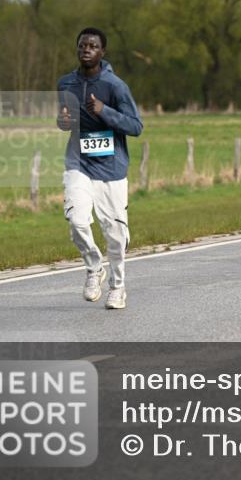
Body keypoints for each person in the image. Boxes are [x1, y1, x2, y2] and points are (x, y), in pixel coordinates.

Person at [56, 28, 143, 310]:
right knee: (77, 220)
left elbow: (136, 126)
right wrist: (63, 122)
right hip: (78, 162)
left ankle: (118, 287)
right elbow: (66, 121)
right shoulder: (65, 83)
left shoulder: (116, 86)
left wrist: (104, 110)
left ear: (102, 52)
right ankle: (94, 267)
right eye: (82, 45)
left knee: (115, 235)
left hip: (111, 168)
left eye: (93, 46)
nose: (86, 49)